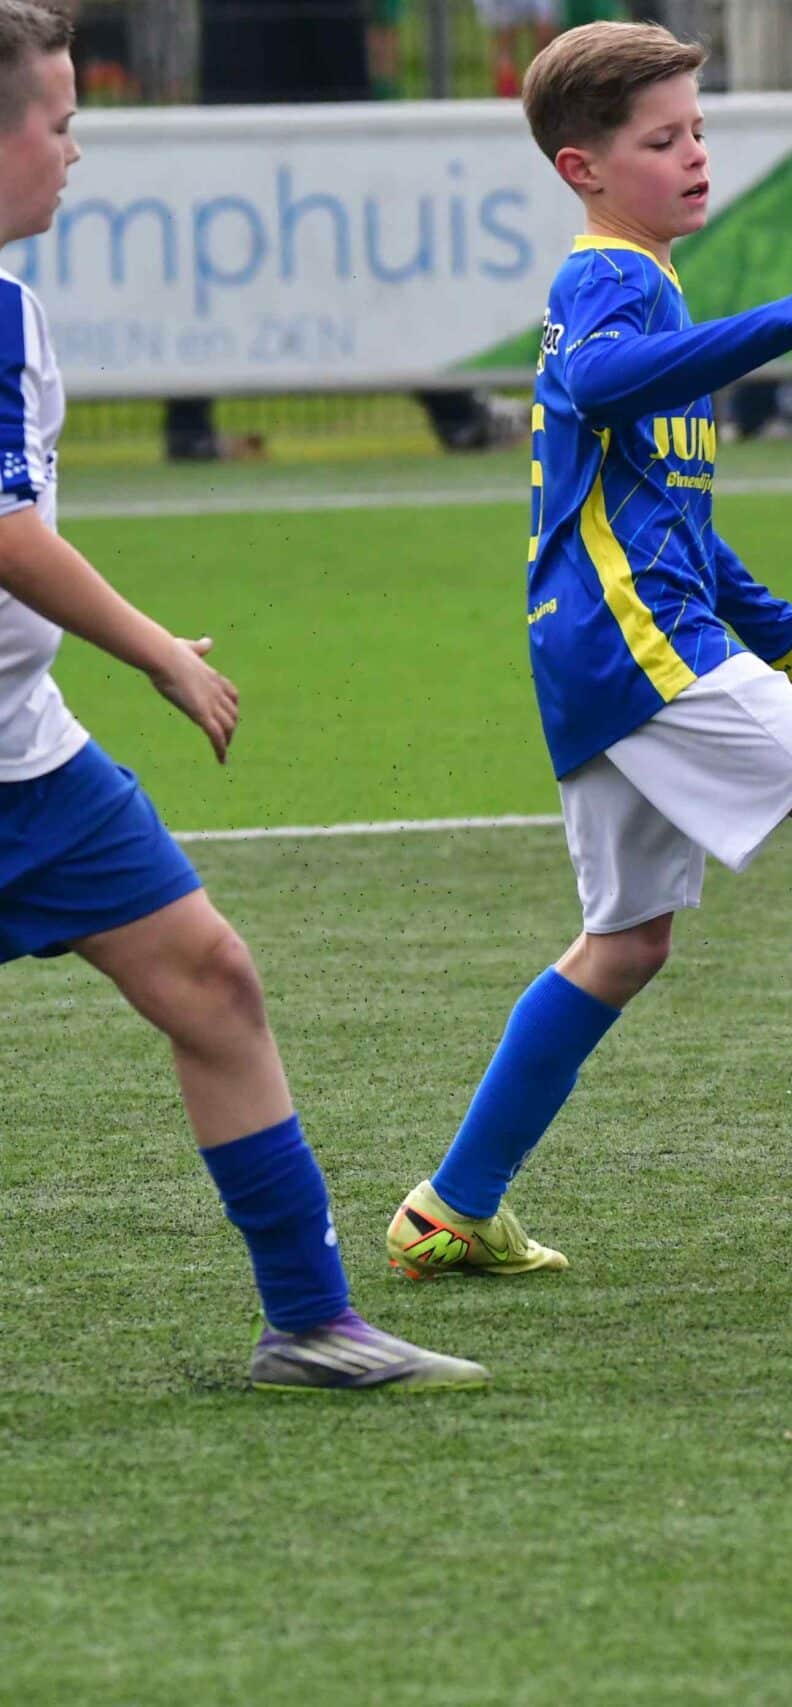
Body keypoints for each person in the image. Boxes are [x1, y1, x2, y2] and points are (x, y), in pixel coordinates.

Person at [386, 22, 792, 1281]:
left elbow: (659, 514)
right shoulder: (608, 282)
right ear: (582, 169)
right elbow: (607, 385)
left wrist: (780, 627)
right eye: (661, 139)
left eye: (697, 130)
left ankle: (453, 1204)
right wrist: (781, 319)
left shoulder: (645, 285)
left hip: (603, 652)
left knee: (625, 945)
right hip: (639, 645)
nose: (693, 156)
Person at [0, 0, 485, 1391]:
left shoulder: (12, 308)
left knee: (214, 982)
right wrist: (157, 649)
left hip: (29, 760)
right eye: (59, 122)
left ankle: (310, 1323)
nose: (76, 151)